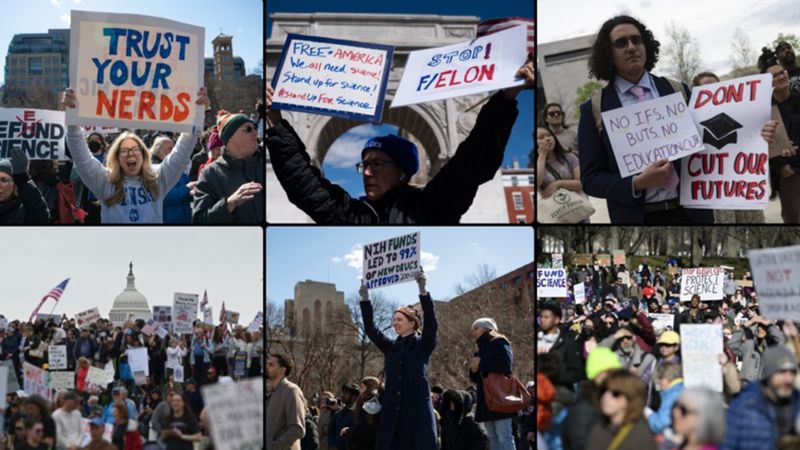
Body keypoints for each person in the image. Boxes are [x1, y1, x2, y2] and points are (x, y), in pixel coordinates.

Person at [265, 59, 535, 224]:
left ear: (403, 171)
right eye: (364, 165)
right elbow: (305, 185)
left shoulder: (432, 207)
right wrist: (276, 124)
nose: (367, 172)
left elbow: (471, 163)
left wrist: (506, 98)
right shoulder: (349, 214)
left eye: (378, 164)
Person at [577, 15, 713, 224]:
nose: (631, 47)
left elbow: (711, 141)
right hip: (638, 219)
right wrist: (636, 183)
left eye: (636, 40)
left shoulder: (679, 91)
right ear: (608, 53)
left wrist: (755, 136)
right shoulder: (594, 109)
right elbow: (590, 179)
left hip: (693, 214)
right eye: (621, 43)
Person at [60, 88, 207, 223]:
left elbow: (181, 153)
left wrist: (197, 112)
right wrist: (73, 119)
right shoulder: (105, 181)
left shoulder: (158, 178)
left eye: (136, 149)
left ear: (144, 155)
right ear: (116, 158)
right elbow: (81, 157)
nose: (131, 154)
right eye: (124, 151)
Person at [359, 269, 438, 450]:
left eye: (399, 319)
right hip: (392, 414)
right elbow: (371, 329)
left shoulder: (423, 344)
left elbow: (432, 324)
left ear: (412, 322)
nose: (394, 323)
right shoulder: (391, 347)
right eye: (393, 319)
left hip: (417, 412)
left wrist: (423, 290)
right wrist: (365, 298)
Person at [191, 110, 264, 223]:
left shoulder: (264, 163)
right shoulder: (210, 174)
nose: (255, 133)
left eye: (254, 128)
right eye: (248, 129)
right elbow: (199, 220)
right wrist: (230, 203)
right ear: (230, 137)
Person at [721, 345, 800, 450]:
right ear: (768, 374)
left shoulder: (797, 404)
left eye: (792, 372)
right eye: (782, 372)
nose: (788, 379)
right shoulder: (743, 407)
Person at [759, 48, 800, 223]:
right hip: (790, 173)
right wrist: (781, 166)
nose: (781, 77)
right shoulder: (763, 112)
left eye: (782, 72)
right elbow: (762, 145)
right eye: (775, 76)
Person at [469, 317, 518, 450]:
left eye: (476, 328)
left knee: (504, 437)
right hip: (486, 397)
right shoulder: (478, 350)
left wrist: (481, 364)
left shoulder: (499, 342)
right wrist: (473, 370)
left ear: (486, 328)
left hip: (500, 395)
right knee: (492, 437)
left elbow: (506, 366)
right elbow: (476, 377)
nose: (473, 331)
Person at [586, 369, 656, 450]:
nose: (606, 397)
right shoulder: (598, 427)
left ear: (630, 397)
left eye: (615, 393)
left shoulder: (640, 434)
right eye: (604, 391)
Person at [728, 313, 786, 383]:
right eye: (758, 326)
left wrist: (769, 325)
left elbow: (782, 340)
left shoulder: (772, 347)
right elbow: (732, 344)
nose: (759, 329)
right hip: (746, 388)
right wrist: (745, 326)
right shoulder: (749, 344)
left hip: (763, 390)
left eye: (763, 327)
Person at [266, 352, 306, 450]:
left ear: (282, 370)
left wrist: (273, 446)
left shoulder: (291, 391)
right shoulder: (272, 392)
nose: (267, 367)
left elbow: (297, 429)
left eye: (271, 364)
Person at [0, 147, 50, 224]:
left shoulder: (25, 210)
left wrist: (23, 180)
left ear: (15, 185)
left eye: (4, 180)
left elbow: (41, 219)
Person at [536, 126, 585, 203]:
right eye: (541, 137)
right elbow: (537, 182)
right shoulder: (537, 164)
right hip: (554, 210)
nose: (547, 139)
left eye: (549, 135)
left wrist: (558, 184)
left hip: (576, 204)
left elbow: (581, 183)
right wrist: (542, 156)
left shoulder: (569, 157)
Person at [151, 136, 192, 224]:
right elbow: (164, 196)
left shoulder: (180, 170)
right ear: (158, 152)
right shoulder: (153, 172)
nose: (173, 151)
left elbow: (188, 188)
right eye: (170, 148)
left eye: (174, 147)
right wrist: (187, 190)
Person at [341, 377, 383, 450]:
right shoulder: (368, 402)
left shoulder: (371, 405)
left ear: (369, 388)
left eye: (362, 387)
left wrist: (348, 433)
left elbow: (365, 431)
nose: (359, 390)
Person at [645, 362, 684, 434]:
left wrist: (648, 414)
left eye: (659, 381)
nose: (658, 385)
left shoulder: (672, 394)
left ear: (664, 378)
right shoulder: (682, 387)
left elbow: (661, 423)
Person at [328, 383, 358, 450]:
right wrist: (332, 446)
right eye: (343, 393)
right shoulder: (338, 414)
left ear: (353, 397)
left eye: (346, 393)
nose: (342, 396)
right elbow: (331, 431)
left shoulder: (358, 415)